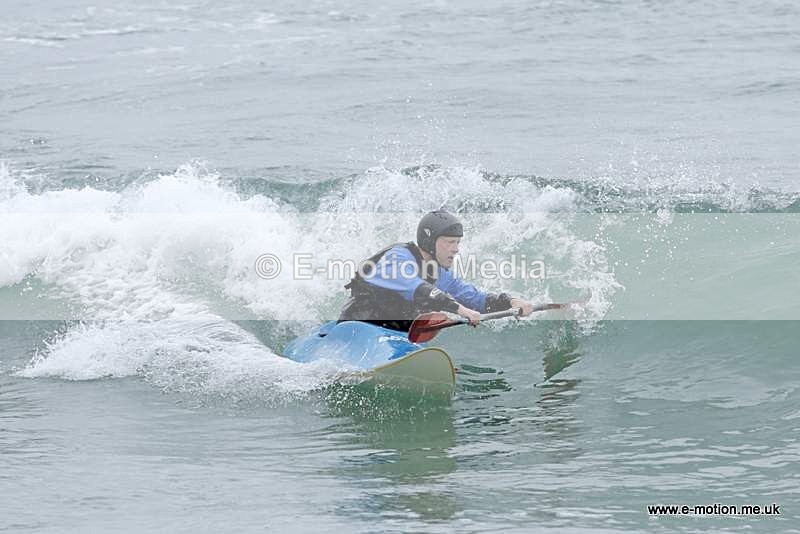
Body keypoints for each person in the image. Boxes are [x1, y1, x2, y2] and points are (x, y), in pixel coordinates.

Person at [339, 210, 536, 332]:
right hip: (358, 324)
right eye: (450, 242)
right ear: (429, 242)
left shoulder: (442, 276)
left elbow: (478, 299)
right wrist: (460, 309)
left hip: (392, 334)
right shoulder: (398, 256)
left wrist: (510, 301)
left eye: (458, 242)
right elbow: (415, 286)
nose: (456, 248)